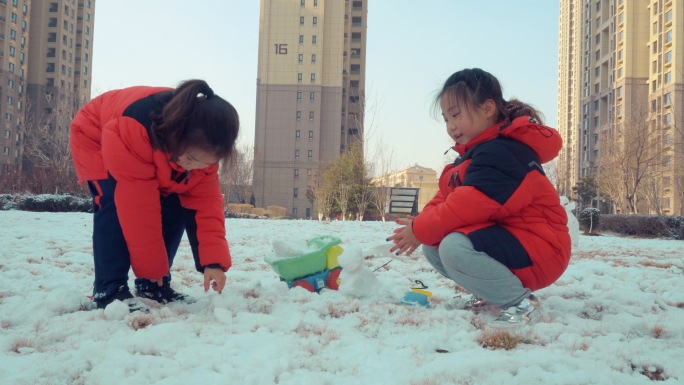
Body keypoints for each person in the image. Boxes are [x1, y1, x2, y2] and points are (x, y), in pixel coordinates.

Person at [388, 68, 571, 324]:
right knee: (434, 245)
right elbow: (445, 197)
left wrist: (420, 228)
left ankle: (519, 303)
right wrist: (420, 227)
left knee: (452, 246)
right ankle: (492, 295)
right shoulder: (473, 155)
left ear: (487, 109)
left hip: (541, 248)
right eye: (446, 119)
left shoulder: (502, 154)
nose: (451, 126)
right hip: (514, 240)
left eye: (456, 115)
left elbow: (465, 207)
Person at [70, 79, 239, 310]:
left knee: (175, 202)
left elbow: (206, 207)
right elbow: (137, 207)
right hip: (97, 134)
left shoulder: (202, 154)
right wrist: (152, 267)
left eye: (204, 164)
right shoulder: (135, 126)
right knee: (113, 204)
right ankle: (109, 289)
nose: (194, 168)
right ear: (178, 136)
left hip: (155, 148)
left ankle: (153, 287)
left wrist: (213, 262)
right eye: (190, 160)